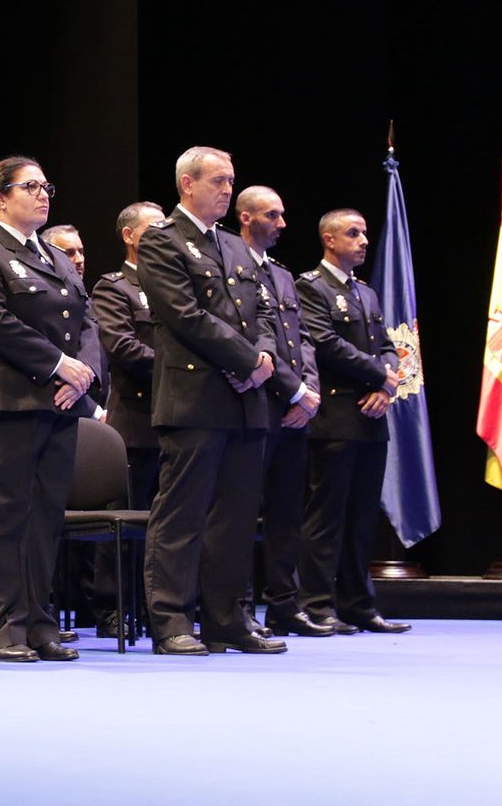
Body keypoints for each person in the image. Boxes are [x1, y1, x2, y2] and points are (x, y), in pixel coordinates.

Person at [0, 158, 100, 662]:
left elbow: (86, 322)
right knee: (3, 517)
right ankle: (0, 627)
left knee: (45, 518)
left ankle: (39, 623)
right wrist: (60, 366)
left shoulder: (55, 257)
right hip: (2, 403)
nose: (43, 194)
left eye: (46, 186)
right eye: (30, 186)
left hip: (57, 404)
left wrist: (82, 373)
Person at [135, 145, 283, 656]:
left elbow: (264, 313)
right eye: (218, 181)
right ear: (187, 185)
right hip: (195, 395)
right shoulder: (162, 240)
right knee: (182, 514)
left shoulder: (237, 248)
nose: (227, 189)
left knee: (236, 518)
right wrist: (247, 361)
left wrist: (263, 357)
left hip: (245, 400)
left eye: (231, 181)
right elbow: (183, 314)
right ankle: (171, 619)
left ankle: (226, 618)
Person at [296, 209, 409, 634]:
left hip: (371, 416)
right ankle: (319, 604)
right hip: (334, 415)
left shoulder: (367, 293)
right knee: (326, 516)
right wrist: (379, 373)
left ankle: (360, 604)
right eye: (353, 233)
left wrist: (386, 384)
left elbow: (386, 346)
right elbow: (323, 344)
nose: (363, 240)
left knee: (362, 516)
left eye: (364, 233)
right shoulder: (312, 287)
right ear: (328, 239)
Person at [235, 186, 328, 638]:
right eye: (273, 215)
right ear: (247, 218)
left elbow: (304, 340)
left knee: (288, 514)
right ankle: (242, 606)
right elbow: (254, 342)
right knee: (243, 510)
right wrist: (294, 394)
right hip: (257, 406)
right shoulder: (232, 268)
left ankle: (285, 604)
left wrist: (308, 391)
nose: (283, 223)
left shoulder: (283, 275)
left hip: (294, 411)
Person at [88, 200, 163, 639]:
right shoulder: (114, 287)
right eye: (152, 229)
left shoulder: (175, 286)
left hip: (179, 420)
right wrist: (183, 368)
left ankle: (158, 607)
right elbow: (122, 347)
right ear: (129, 236)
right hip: (136, 422)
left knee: (165, 526)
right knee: (123, 523)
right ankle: (112, 608)